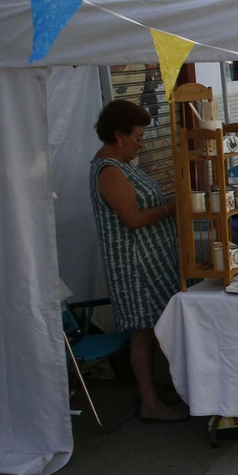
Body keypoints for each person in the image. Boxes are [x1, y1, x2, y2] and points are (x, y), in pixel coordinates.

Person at [89, 100, 186, 423]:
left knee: (155, 328)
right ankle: (149, 402)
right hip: (134, 266)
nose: (141, 143)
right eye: (138, 137)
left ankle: (155, 389)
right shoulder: (109, 171)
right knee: (143, 333)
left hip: (150, 261)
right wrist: (174, 206)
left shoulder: (123, 164)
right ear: (119, 135)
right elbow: (132, 218)